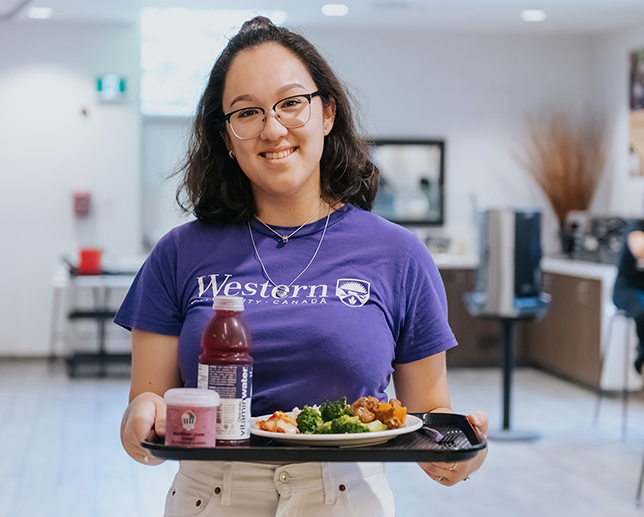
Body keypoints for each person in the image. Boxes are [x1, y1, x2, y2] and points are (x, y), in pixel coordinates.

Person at [115, 16, 488, 516]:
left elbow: (426, 415)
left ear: (327, 113)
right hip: (213, 495)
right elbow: (149, 404)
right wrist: (141, 419)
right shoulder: (178, 253)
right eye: (246, 113)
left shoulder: (398, 255)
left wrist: (453, 456)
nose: (272, 128)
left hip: (345, 498)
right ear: (226, 136)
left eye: (291, 103)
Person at [613, 219, 644, 374]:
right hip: (626, 290)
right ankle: (641, 357)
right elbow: (639, 248)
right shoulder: (636, 226)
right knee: (642, 309)